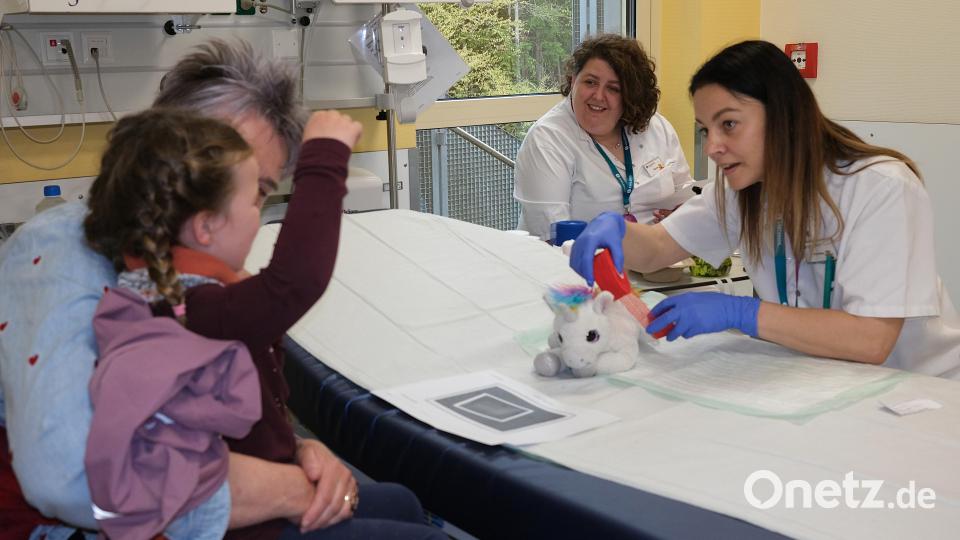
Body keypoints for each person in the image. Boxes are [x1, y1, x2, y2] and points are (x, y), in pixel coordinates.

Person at [0, 40, 443, 540]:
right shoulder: (59, 251)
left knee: (401, 504)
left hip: (201, 482)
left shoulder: (180, 262)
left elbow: (199, 401)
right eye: (227, 176)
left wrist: (296, 449)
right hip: (86, 524)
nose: (243, 204)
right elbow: (69, 479)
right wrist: (289, 488)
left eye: (258, 189)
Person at [569, 40, 960, 378]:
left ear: (783, 115)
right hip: (822, 376)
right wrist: (615, 231)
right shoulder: (742, 187)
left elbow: (872, 340)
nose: (713, 146)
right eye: (707, 129)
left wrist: (742, 314)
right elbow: (658, 248)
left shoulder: (880, 187)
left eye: (729, 124)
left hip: (916, 391)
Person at [513, 33, 695, 241]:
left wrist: (681, 218)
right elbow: (551, 237)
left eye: (613, 88)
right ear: (573, 81)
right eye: (590, 82)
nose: (598, 96)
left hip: (661, 259)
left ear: (630, 95)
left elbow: (686, 195)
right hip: (582, 264)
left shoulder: (657, 128)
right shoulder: (547, 139)